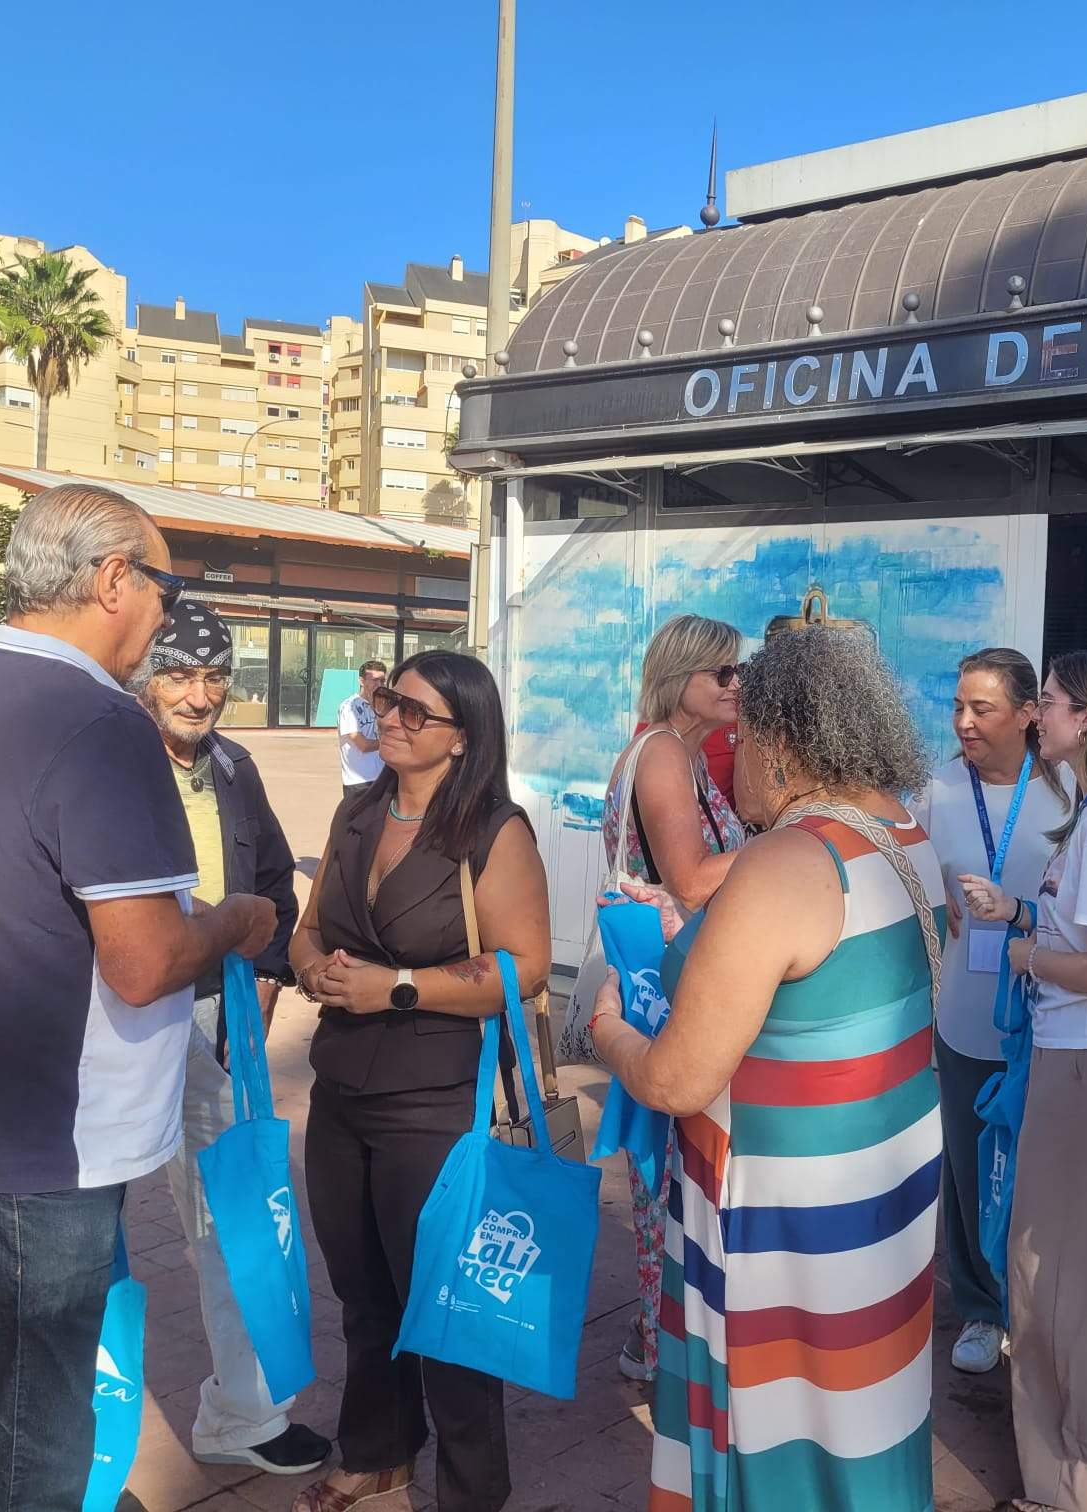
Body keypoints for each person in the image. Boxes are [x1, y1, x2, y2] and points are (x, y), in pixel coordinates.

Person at [0, 484, 278, 1512]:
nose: (164, 615)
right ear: (110, 581)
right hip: (30, 1167)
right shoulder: (96, 720)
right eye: (164, 584)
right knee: (24, 1462)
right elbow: (142, 961)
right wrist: (237, 923)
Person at [590, 627, 943, 1512]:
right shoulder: (902, 828)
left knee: (779, 1437)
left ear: (782, 743)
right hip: (880, 1191)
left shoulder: (788, 859)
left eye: (741, 740)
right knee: (865, 1414)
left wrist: (607, 1035)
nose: (730, 755)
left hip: (785, 1220)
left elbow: (675, 1078)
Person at [290, 651, 551, 1512]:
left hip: (437, 1101)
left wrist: (397, 985)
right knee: (362, 1294)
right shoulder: (358, 810)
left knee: (449, 1315)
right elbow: (306, 929)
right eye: (385, 700)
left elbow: (527, 966)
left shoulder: (491, 829)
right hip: (341, 1092)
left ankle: (473, 1493)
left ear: (463, 736)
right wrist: (316, 970)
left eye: (413, 709)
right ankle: (378, 1449)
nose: (390, 718)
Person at [959, 649, 1087, 1512]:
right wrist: (1027, 926)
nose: (1035, 714)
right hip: (1077, 1062)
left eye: (1045, 702)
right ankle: (1071, 1479)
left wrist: (1024, 952)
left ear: (1086, 720)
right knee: (1054, 1279)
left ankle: (1080, 1487)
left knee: (1061, 1285)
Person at [134, 601, 332, 1473]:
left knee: (234, 1211)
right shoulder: (109, 763)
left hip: (216, 1018)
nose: (200, 693)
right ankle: (68, 1433)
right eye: (179, 673)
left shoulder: (234, 765)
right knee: (78, 1221)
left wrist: (268, 972)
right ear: (144, 675)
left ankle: (241, 1417)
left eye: (214, 676)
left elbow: (272, 882)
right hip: (118, 1020)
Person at [598, 614, 748, 1384]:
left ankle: (657, 1342)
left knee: (671, 1177)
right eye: (721, 673)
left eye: (738, 671)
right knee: (670, 1179)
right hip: (668, 990)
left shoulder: (673, 753)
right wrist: (793, 843)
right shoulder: (660, 753)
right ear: (680, 677)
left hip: (666, 982)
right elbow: (689, 881)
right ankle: (669, 1363)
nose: (736, 684)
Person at [912, 648, 1069, 1374]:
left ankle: (1060, 1305)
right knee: (972, 1166)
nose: (964, 723)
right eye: (958, 707)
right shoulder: (935, 790)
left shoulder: (1069, 790)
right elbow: (903, 877)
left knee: (1054, 1163)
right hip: (966, 1010)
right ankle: (979, 1305)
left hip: (1055, 1008)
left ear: (1029, 715)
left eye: (983, 709)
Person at [339, 658, 386, 796]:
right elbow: (362, 745)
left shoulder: (385, 706)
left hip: (383, 777)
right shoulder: (348, 707)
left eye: (382, 681)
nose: (379, 685)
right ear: (362, 681)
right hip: (358, 781)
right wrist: (388, 742)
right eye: (374, 680)